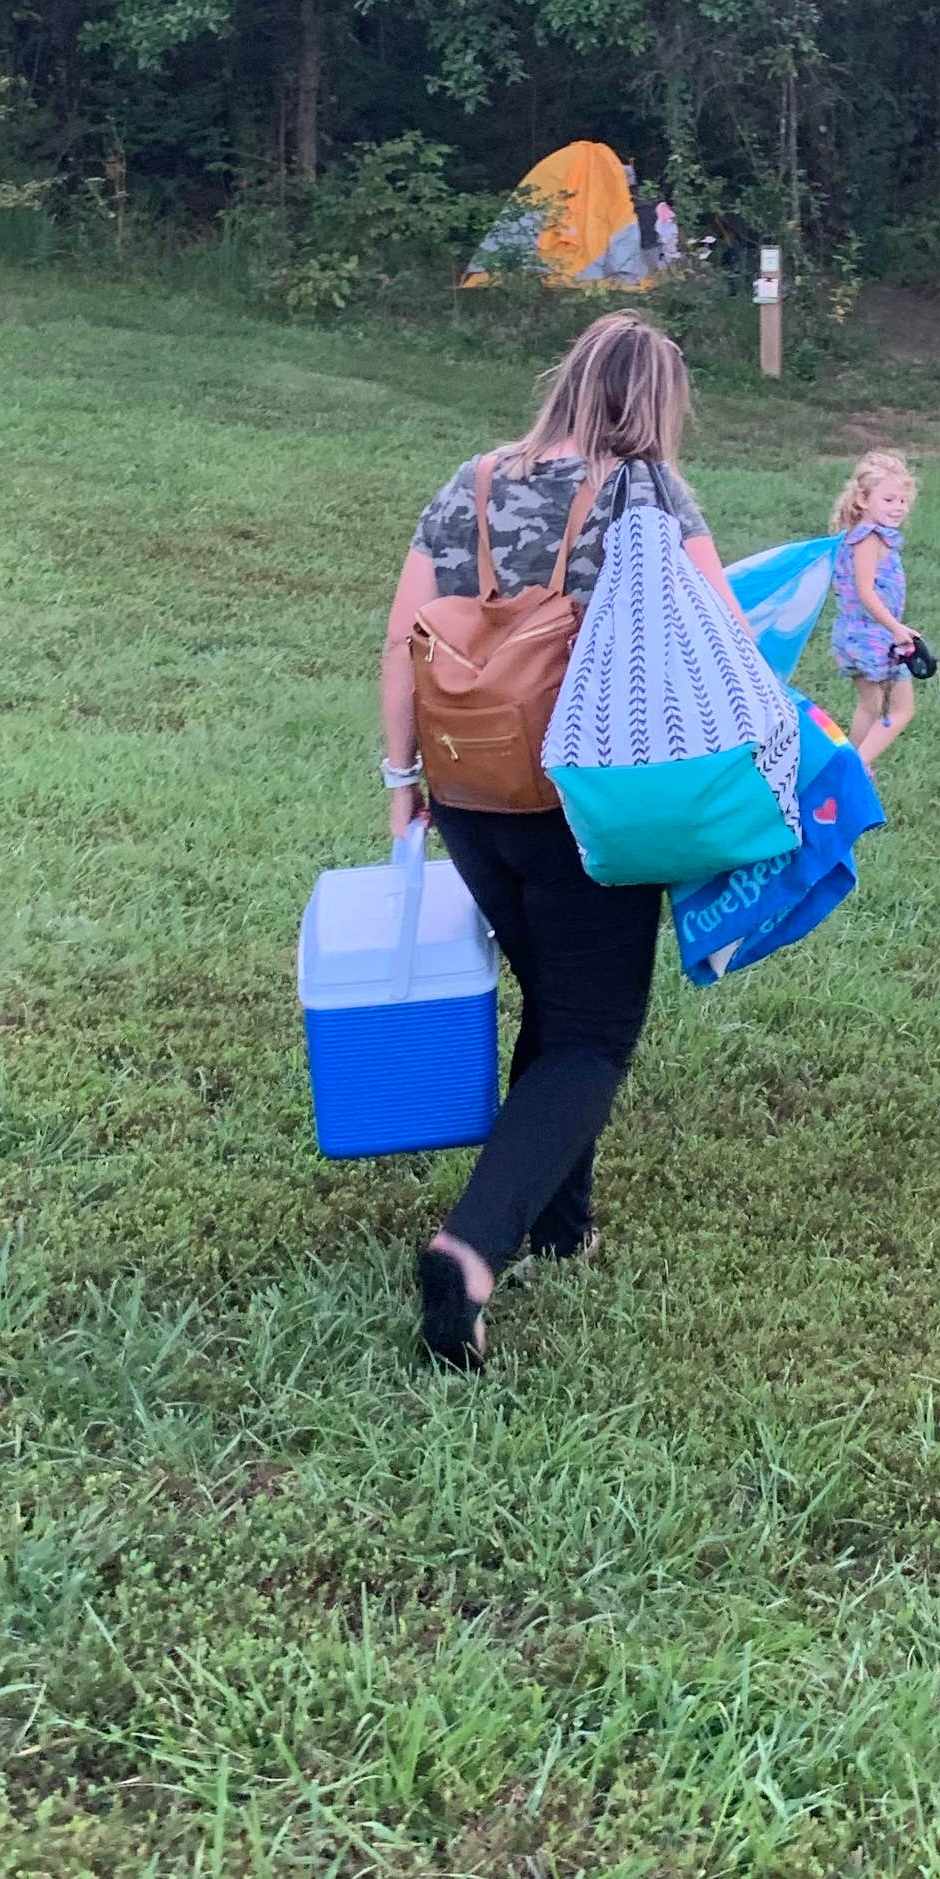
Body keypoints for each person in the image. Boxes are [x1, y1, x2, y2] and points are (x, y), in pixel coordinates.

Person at [378, 311, 746, 1369]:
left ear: (570, 381)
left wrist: (405, 782)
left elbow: (404, 639)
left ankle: (560, 1220)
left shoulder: (474, 482)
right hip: (591, 803)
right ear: (656, 404)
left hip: (472, 790)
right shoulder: (649, 492)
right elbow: (720, 635)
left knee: (557, 999)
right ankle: (471, 1247)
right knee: (592, 1035)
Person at [827, 451, 923, 765]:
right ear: (863, 501)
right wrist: (897, 629)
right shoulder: (867, 539)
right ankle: (857, 768)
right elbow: (865, 592)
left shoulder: (872, 537)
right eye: (889, 500)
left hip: (869, 635)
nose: (898, 508)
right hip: (871, 636)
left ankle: (853, 765)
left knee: (879, 707)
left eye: (902, 501)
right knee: (889, 707)